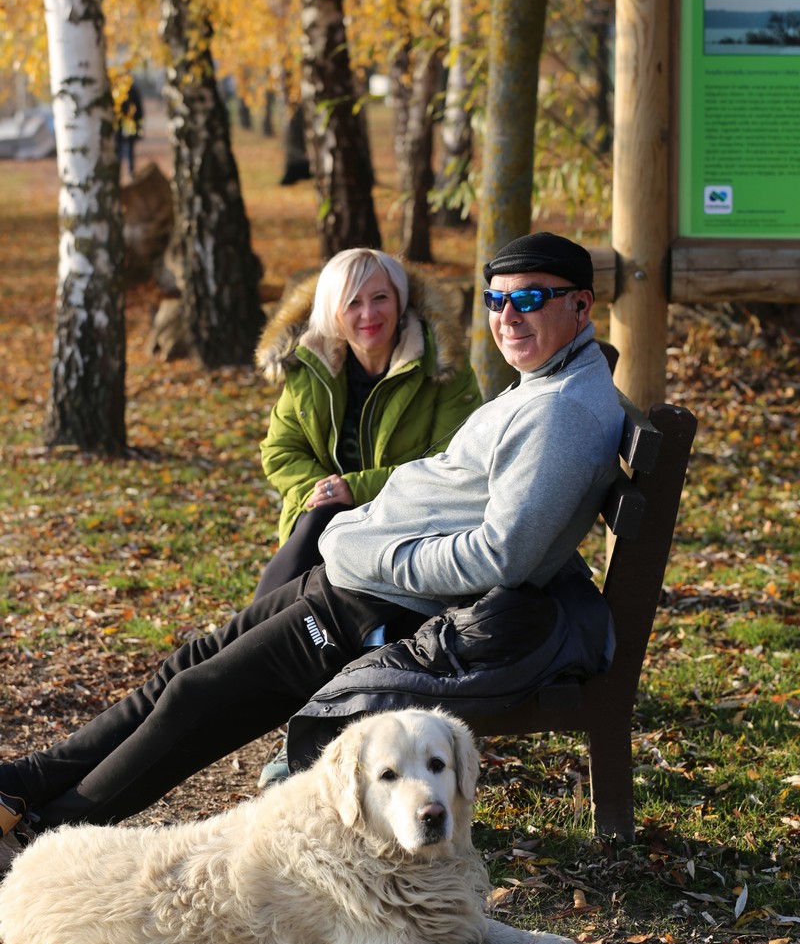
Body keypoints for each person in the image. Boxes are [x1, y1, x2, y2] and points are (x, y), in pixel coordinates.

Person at [0, 231, 624, 874]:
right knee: (191, 663)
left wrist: (369, 553)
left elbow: (501, 559)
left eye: (530, 299)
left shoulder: (561, 415)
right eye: (497, 299)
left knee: (197, 698)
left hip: (387, 607)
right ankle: (23, 782)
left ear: (581, 307)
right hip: (357, 579)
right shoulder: (545, 384)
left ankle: (39, 838)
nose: (508, 316)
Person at [254, 248, 483, 600]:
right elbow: (280, 450)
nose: (369, 314)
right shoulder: (309, 364)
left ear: (400, 301)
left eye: (380, 298)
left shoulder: (442, 368)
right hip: (318, 518)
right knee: (321, 520)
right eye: (352, 303)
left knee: (323, 527)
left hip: (408, 520)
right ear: (334, 312)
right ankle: (252, 637)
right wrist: (321, 491)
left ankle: (251, 634)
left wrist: (355, 490)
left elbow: (451, 465)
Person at [115, 80, 144, 178]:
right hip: (124, 124)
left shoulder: (121, 89)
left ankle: (128, 172)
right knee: (124, 148)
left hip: (126, 124)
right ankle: (127, 172)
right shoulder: (130, 89)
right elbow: (139, 109)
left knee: (125, 148)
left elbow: (138, 109)